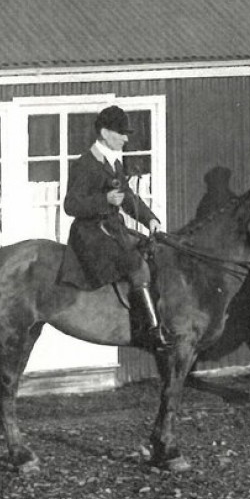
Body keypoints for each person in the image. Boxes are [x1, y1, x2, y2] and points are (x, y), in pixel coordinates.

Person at [61, 105, 171, 349]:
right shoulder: (86, 164)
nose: (126, 138)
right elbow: (71, 204)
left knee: (150, 252)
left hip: (112, 229)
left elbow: (128, 197)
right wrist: (105, 201)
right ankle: (152, 329)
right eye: (121, 133)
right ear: (104, 132)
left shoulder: (114, 164)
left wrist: (149, 219)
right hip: (89, 234)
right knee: (134, 263)